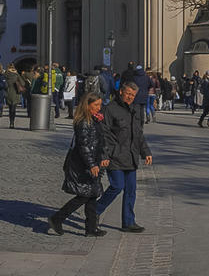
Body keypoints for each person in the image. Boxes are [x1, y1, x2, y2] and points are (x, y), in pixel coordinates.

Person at [48, 92, 110, 237]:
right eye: (96, 105)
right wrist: (91, 165)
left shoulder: (95, 120)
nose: (99, 108)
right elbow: (84, 146)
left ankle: (91, 228)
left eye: (100, 105)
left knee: (92, 195)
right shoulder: (83, 122)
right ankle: (57, 218)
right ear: (87, 105)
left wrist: (103, 156)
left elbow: (101, 141)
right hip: (83, 165)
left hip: (93, 162)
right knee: (84, 196)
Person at [97, 81, 152, 232]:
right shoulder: (110, 109)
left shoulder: (136, 109)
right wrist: (105, 154)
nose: (130, 97)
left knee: (131, 190)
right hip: (115, 156)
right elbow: (103, 134)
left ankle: (128, 222)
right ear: (121, 92)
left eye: (133, 95)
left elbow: (138, 134)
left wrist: (146, 152)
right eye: (128, 94)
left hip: (131, 156)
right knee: (117, 186)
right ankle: (95, 211)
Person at [4, 63, 25, 129]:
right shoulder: (16, 75)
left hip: (8, 93)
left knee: (10, 109)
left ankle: (11, 122)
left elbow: (4, 84)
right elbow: (23, 83)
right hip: (15, 93)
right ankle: (12, 123)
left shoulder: (5, 74)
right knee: (13, 109)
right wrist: (17, 74)